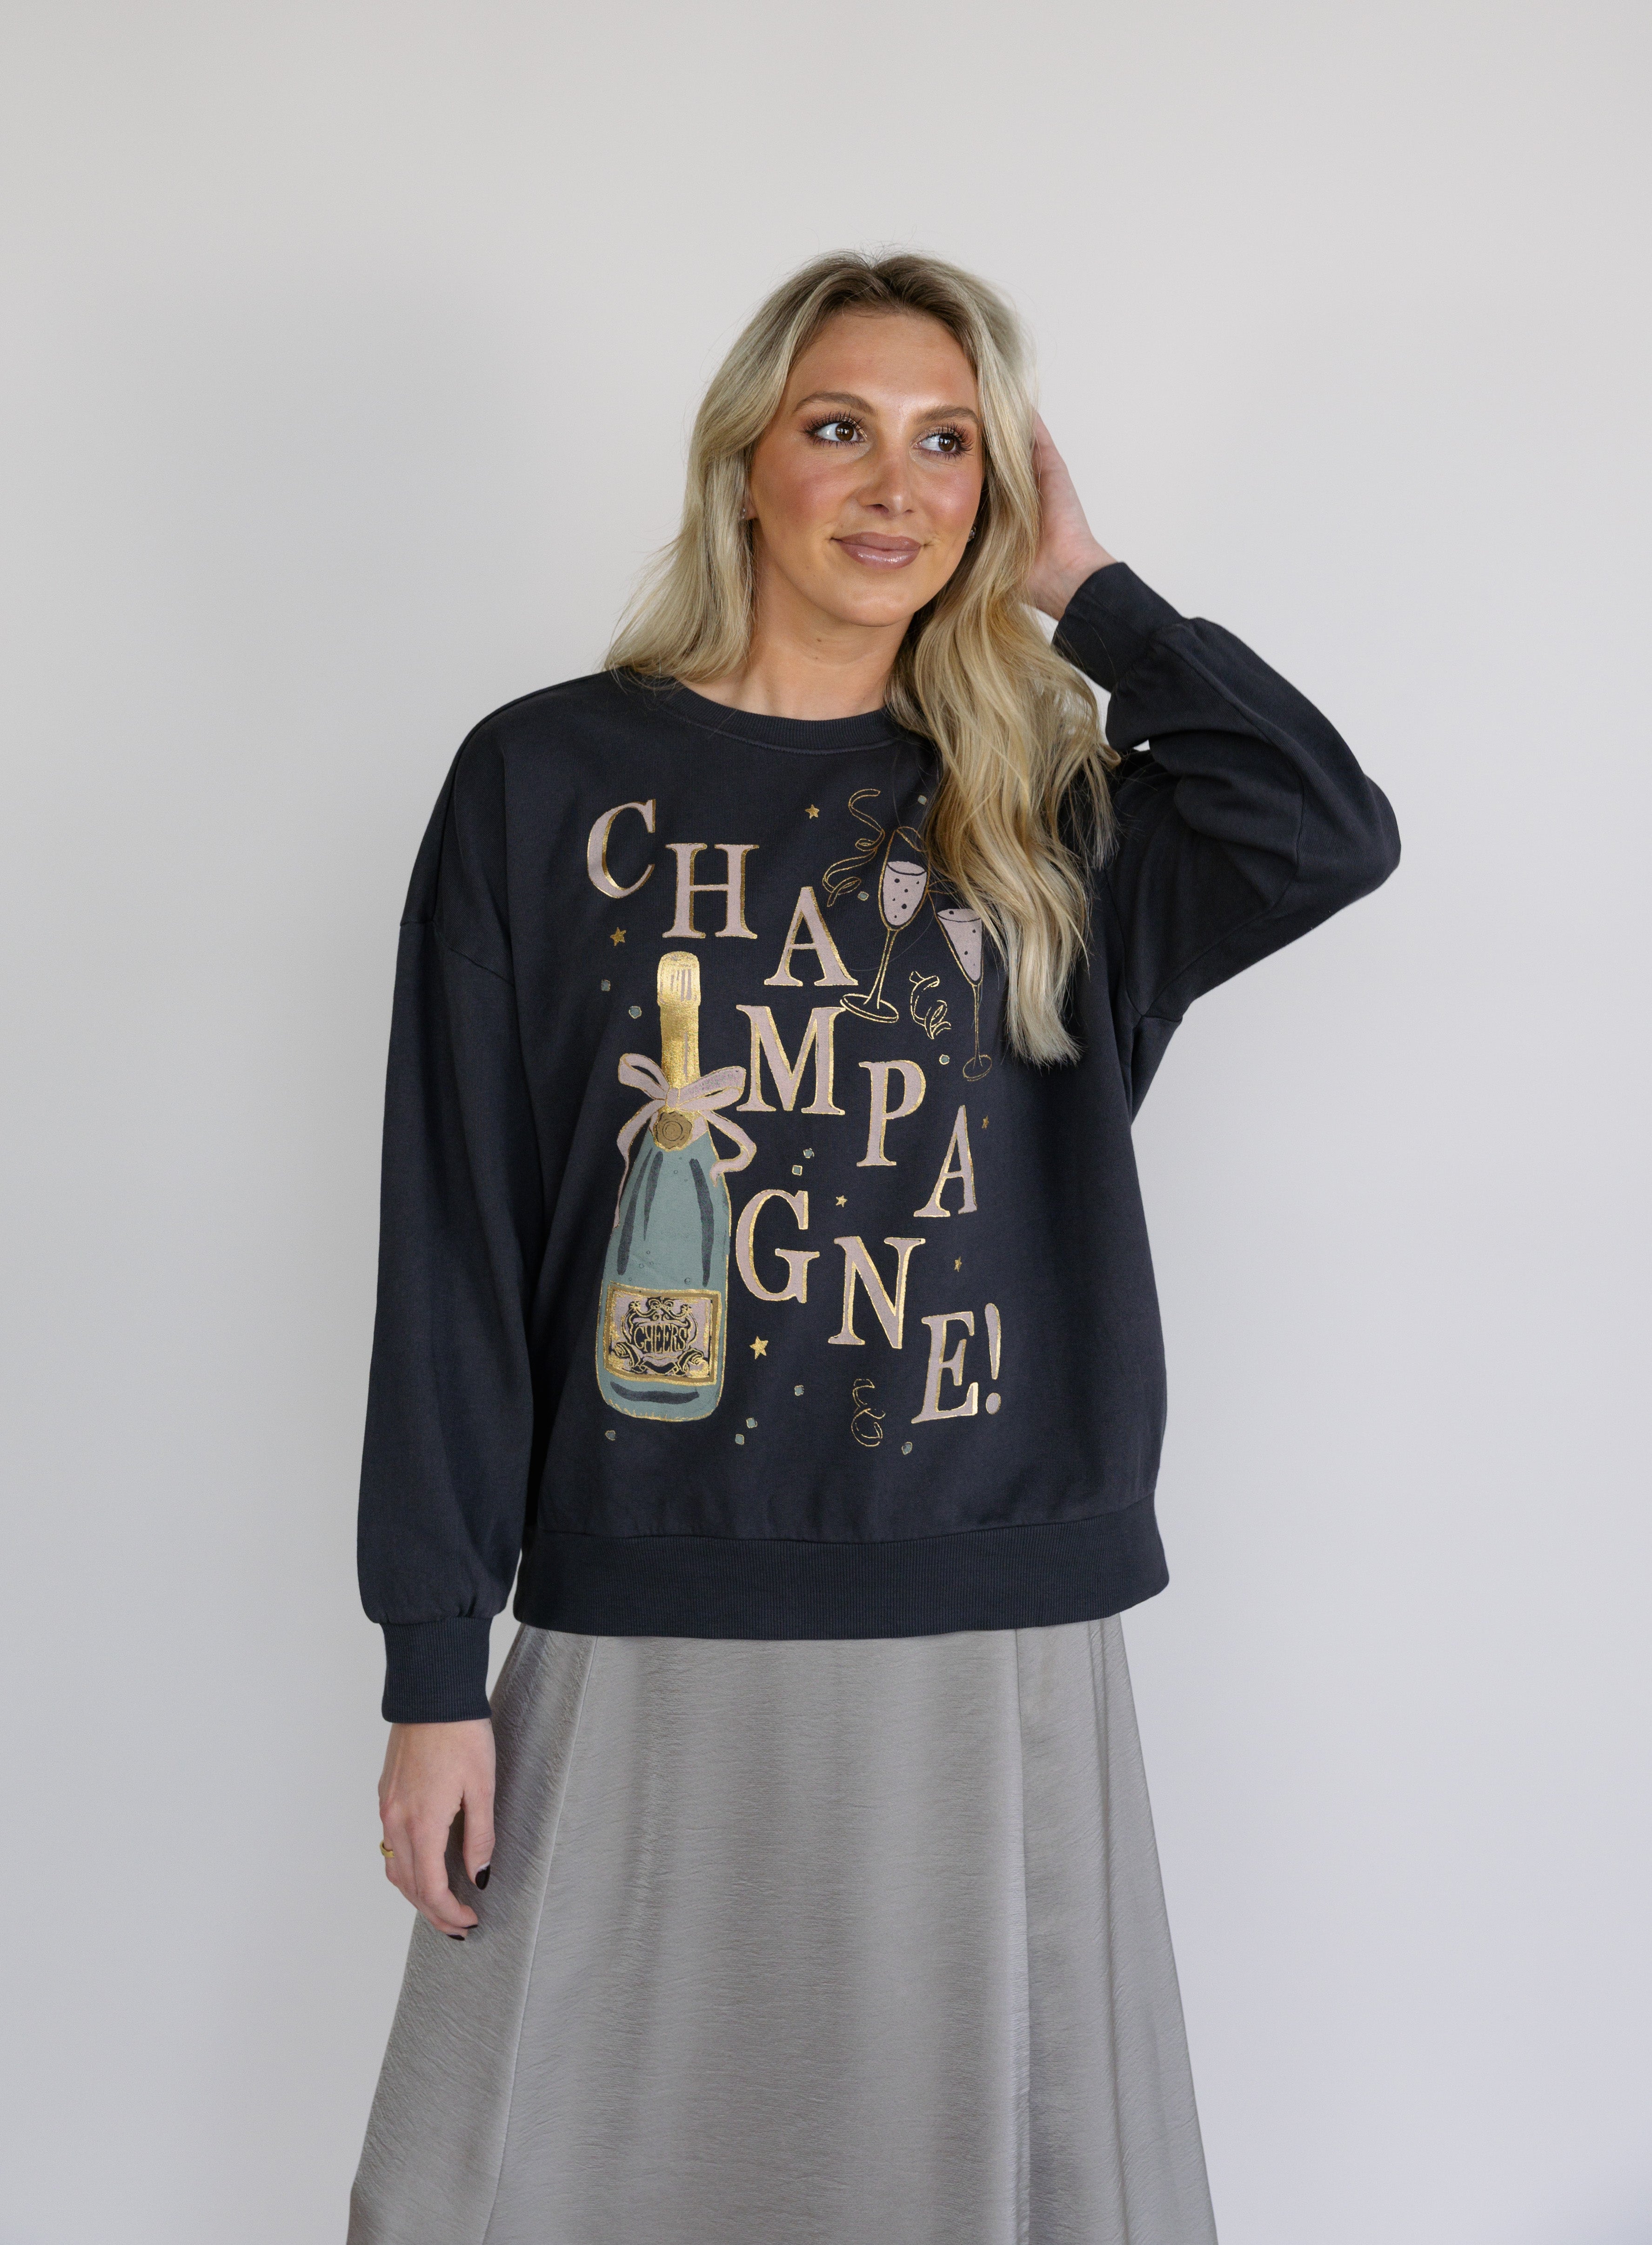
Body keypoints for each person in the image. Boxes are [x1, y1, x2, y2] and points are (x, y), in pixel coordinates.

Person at [347, 249, 1399, 2245]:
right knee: (501, 2181)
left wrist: (1089, 593)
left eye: (950, 446)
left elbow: (1324, 825)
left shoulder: (1049, 811)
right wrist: (430, 1663)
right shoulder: (542, 781)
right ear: (747, 459)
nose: (895, 487)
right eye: (841, 428)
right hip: (645, 1585)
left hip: (986, 1599)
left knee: (964, 2177)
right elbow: (456, 1234)